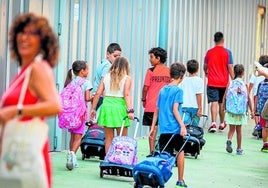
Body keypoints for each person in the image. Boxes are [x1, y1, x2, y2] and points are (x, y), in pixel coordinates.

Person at [0, 13, 60, 188]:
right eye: (21, 32)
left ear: (42, 42)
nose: (24, 38)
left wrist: (17, 111)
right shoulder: (24, 72)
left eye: (32, 34)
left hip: (26, 153)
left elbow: (55, 105)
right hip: (14, 152)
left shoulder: (38, 68)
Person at [150, 62, 188, 187]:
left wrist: (152, 127)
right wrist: (182, 125)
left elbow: (157, 110)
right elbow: (175, 109)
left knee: (164, 156)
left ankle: (159, 179)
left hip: (164, 129)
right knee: (180, 152)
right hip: (175, 129)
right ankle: (180, 180)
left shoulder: (162, 90)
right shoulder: (178, 91)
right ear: (181, 76)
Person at [90, 57, 134, 154]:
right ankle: (119, 160)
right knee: (122, 138)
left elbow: (97, 93)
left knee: (109, 138)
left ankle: (107, 161)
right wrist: (130, 110)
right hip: (120, 107)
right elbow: (126, 94)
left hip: (107, 106)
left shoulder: (106, 76)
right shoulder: (127, 78)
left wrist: (93, 109)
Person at [64, 60, 93, 170]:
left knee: (72, 136)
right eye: (87, 69)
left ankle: (70, 156)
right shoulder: (86, 82)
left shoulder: (71, 81)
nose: (88, 71)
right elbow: (87, 98)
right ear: (82, 71)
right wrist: (94, 97)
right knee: (78, 136)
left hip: (71, 113)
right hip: (80, 113)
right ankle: (73, 155)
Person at [203, 31, 234, 133]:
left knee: (214, 103)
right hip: (223, 83)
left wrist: (206, 73)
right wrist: (234, 80)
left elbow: (205, 66)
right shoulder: (227, 52)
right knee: (222, 103)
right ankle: (221, 123)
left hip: (212, 82)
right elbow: (230, 67)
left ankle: (213, 123)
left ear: (214, 40)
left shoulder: (209, 52)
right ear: (223, 40)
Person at [141, 47, 170, 155]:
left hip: (151, 105)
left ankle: (152, 151)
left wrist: (143, 99)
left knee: (152, 129)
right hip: (165, 106)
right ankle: (164, 150)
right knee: (165, 129)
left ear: (158, 58)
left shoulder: (150, 71)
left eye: (152, 57)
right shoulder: (169, 71)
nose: (150, 59)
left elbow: (145, 87)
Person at [225, 64, 253, 155]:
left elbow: (225, 96)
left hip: (231, 110)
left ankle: (229, 140)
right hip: (240, 111)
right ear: (243, 73)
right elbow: (248, 98)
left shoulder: (230, 83)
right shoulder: (245, 84)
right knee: (239, 130)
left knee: (231, 129)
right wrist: (252, 110)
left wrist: (223, 107)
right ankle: (239, 149)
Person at [92, 43, 122, 110]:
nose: (117, 59)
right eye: (115, 56)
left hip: (97, 97)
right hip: (101, 98)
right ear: (108, 54)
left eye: (119, 56)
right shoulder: (108, 66)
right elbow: (103, 85)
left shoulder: (103, 62)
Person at [179, 59, 203, 126]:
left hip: (184, 107)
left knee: (184, 126)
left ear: (187, 69)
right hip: (195, 107)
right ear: (197, 69)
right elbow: (198, 95)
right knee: (194, 128)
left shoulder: (183, 80)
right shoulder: (199, 80)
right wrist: (200, 108)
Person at [249, 55, 268, 136]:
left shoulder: (257, 72)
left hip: (258, 94)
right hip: (265, 95)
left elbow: (251, 84)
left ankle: (258, 126)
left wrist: (248, 91)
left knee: (258, 112)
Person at [255, 58, 268, 152]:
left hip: (263, 110)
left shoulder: (261, 83)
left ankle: (265, 144)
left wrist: (256, 109)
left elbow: (257, 96)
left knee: (264, 127)